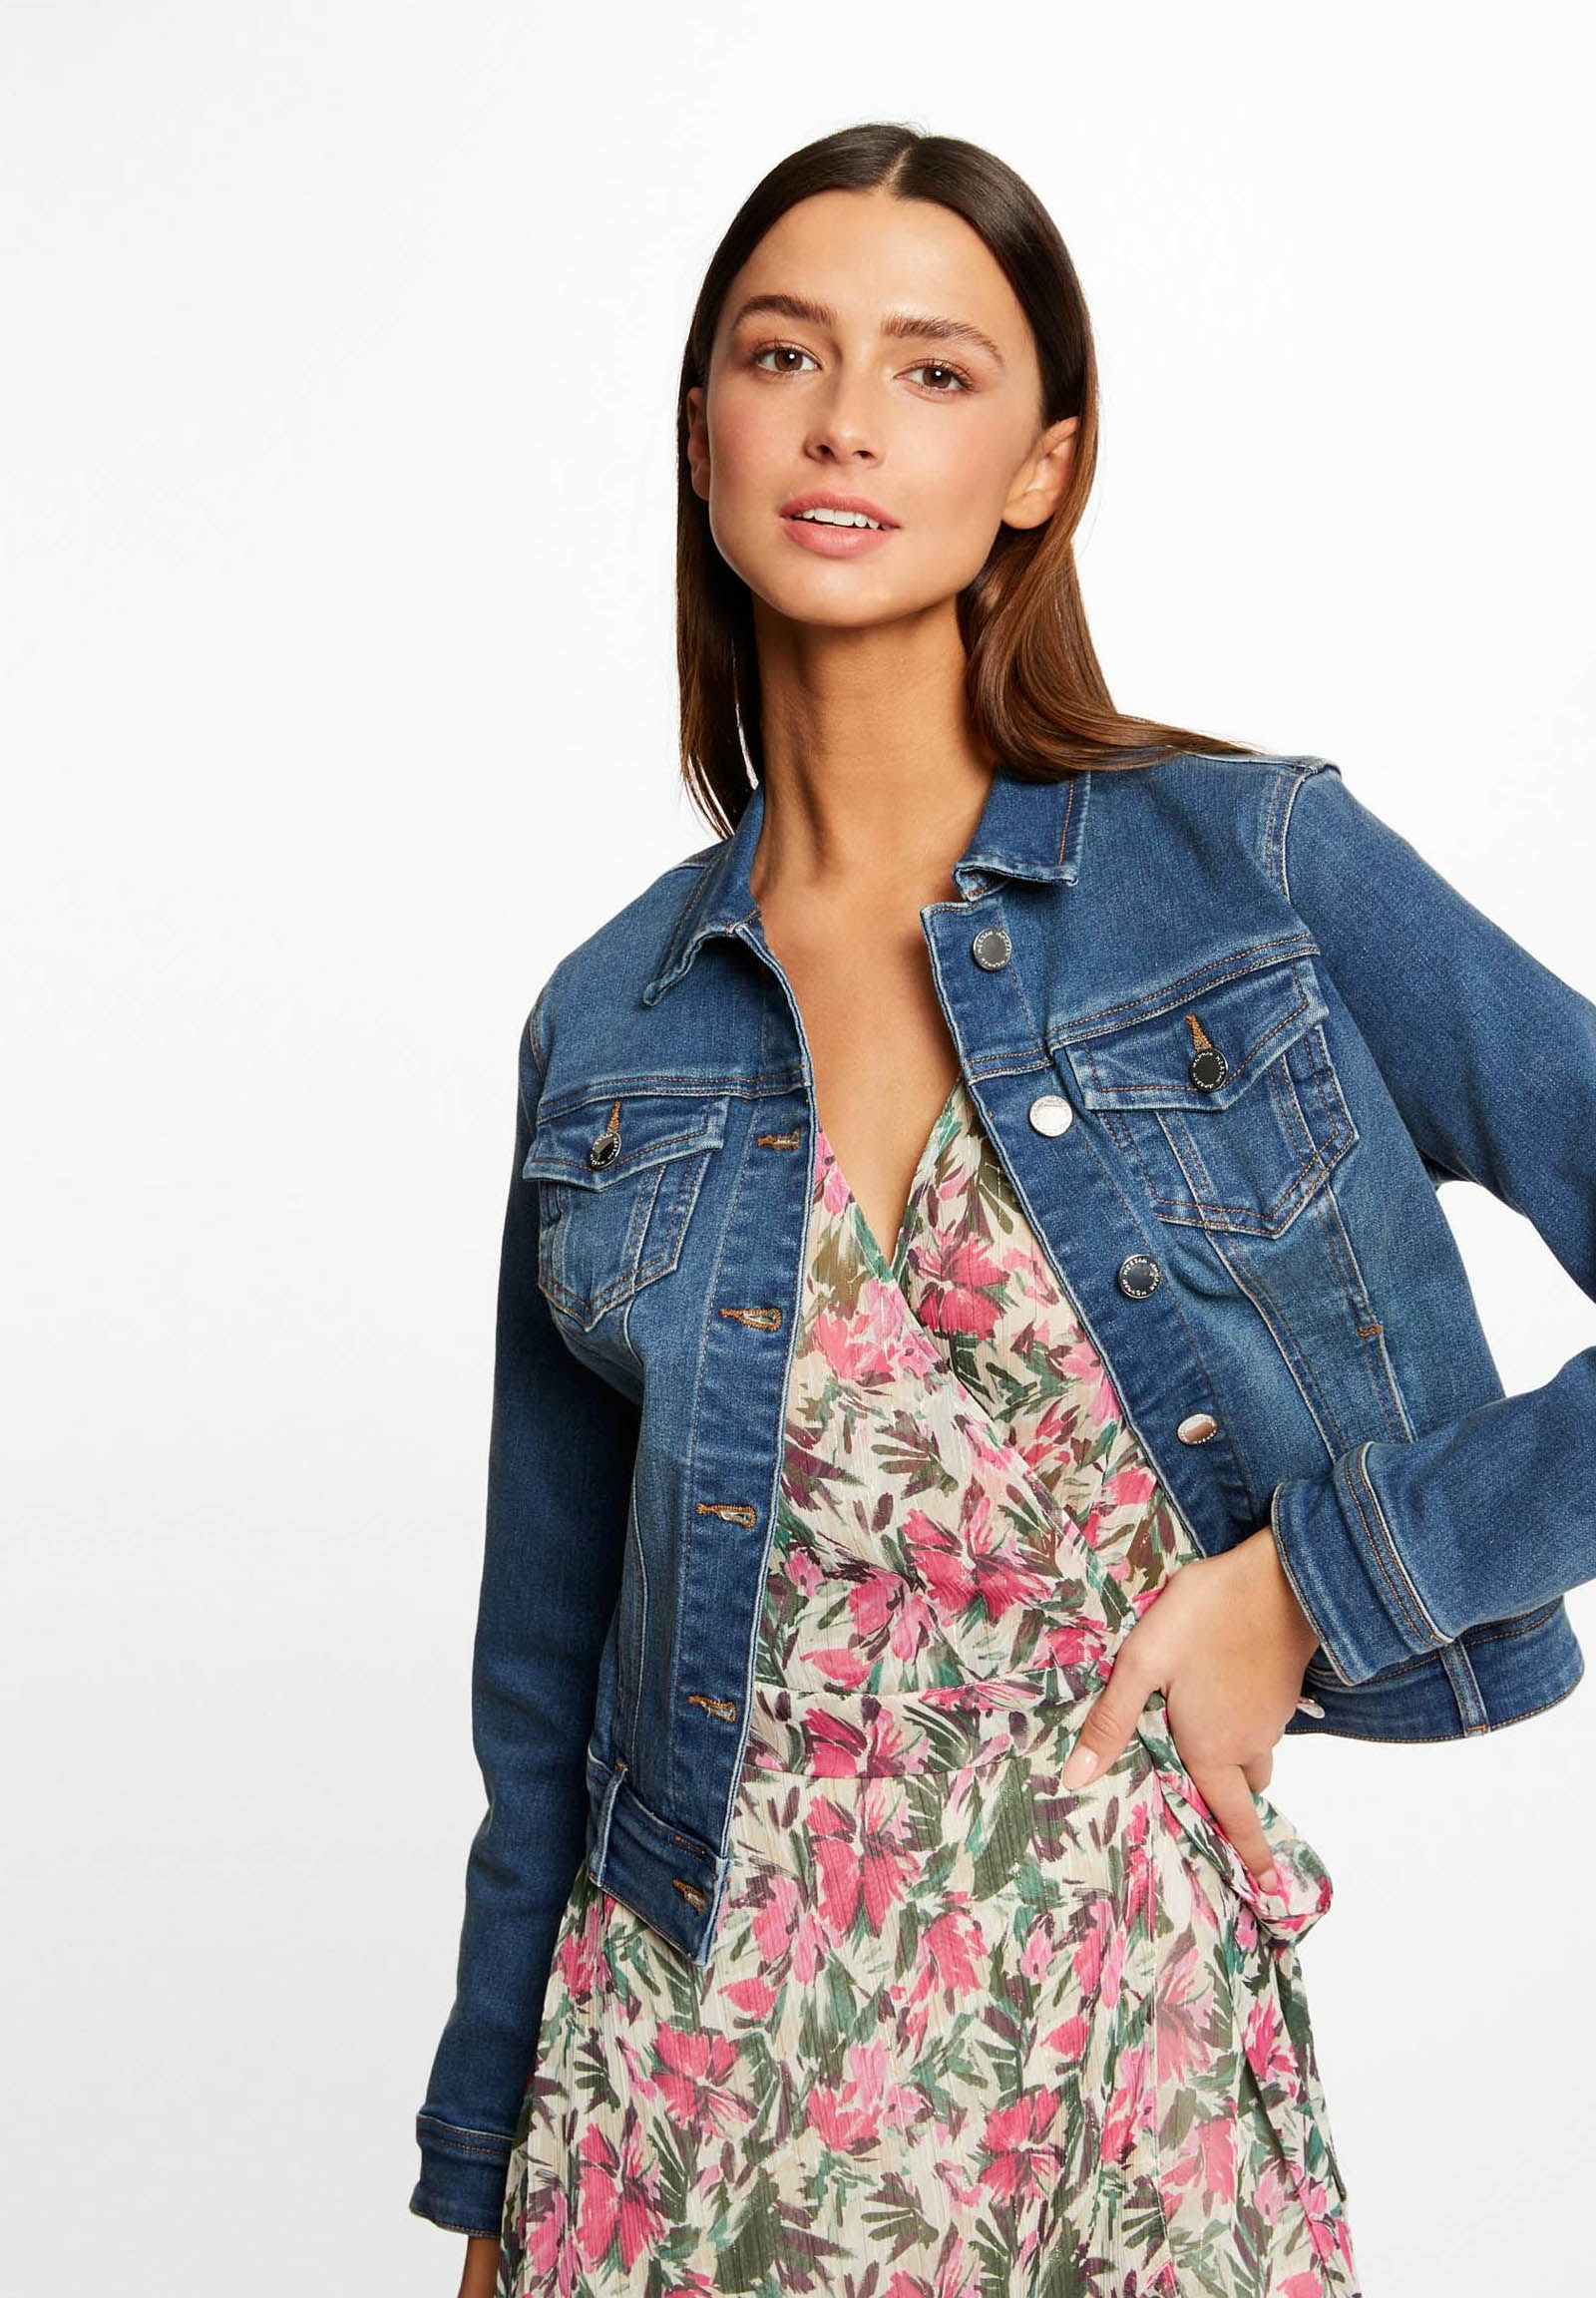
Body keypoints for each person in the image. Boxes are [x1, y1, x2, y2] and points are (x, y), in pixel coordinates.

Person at [412, 123, 1596, 2298]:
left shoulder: (1246, 877)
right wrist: (488, 2168)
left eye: (933, 370)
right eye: (784, 354)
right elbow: (545, 1674)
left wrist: (1317, 1588)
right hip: (669, 2107)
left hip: (1116, 2093)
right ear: (701, 429)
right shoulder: (610, 1022)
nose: (845, 420)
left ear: (1042, 465)